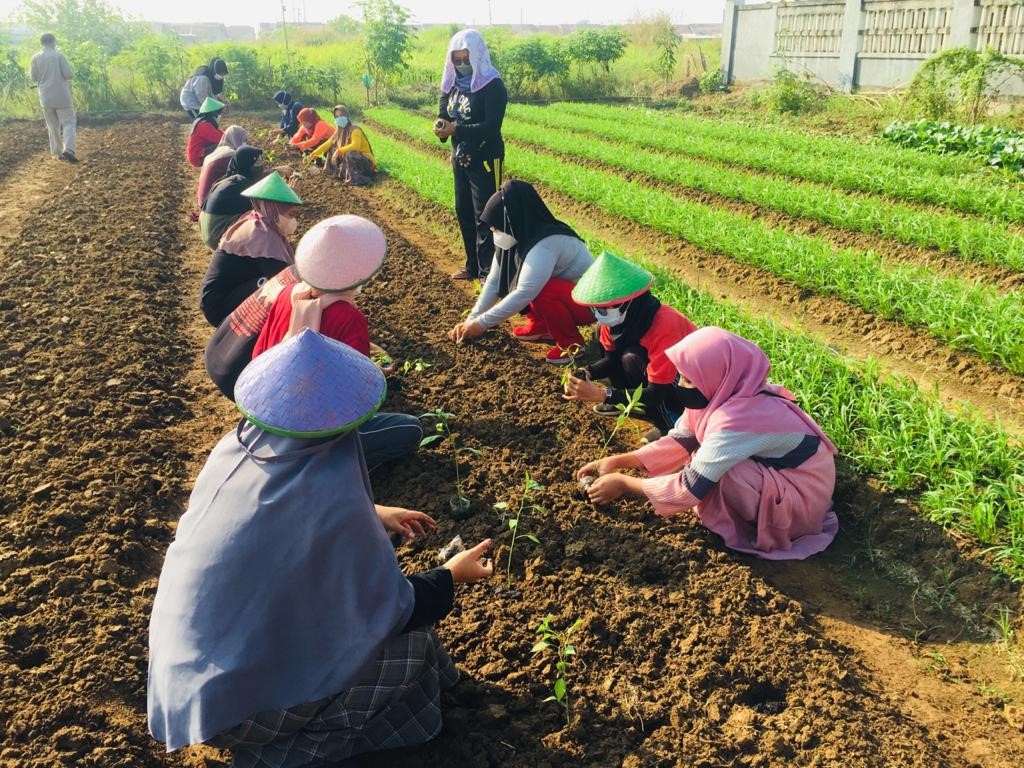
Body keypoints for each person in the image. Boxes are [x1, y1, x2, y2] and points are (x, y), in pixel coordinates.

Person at [148, 329, 495, 766]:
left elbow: (283, 519)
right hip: (239, 714)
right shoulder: (331, 497)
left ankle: (452, 689)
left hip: (183, 687)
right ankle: (281, 757)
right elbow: (389, 609)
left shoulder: (234, 451)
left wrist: (373, 510)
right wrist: (450, 575)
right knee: (411, 643)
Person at [577, 327, 839, 560]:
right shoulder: (723, 394)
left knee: (726, 473)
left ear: (718, 374)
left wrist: (625, 483)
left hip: (802, 499)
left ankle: (758, 527)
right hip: (782, 474)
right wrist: (618, 461)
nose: (681, 385)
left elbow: (690, 488)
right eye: (680, 376)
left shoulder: (738, 419)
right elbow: (680, 440)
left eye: (689, 380)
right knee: (705, 457)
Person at [252, 214, 423, 469]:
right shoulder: (348, 317)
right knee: (410, 428)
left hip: (266, 417)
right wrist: (376, 372)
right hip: (316, 431)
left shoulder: (288, 293)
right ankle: (338, 472)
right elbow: (357, 396)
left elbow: (259, 355)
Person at [447, 180, 594, 364]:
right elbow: (494, 281)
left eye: (496, 227)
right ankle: (544, 326)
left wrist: (481, 324)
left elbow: (525, 292)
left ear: (511, 220)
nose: (494, 232)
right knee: (517, 276)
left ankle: (571, 344)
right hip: (566, 297)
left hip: (588, 305)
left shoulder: (546, 243)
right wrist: (472, 319)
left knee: (542, 289)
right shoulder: (516, 235)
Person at [562, 252, 699, 437]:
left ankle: (669, 423)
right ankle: (622, 402)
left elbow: (657, 392)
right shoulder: (613, 322)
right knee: (620, 352)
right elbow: (611, 361)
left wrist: (603, 394)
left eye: (604, 307)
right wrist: (587, 372)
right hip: (658, 376)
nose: (599, 313)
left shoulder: (665, 326)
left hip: (690, 383)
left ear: (628, 302)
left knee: (632, 359)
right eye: (595, 308)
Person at [434, 29, 507, 281]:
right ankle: (472, 266)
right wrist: (441, 129)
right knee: (463, 211)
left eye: (466, 59)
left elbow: (491, 126)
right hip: (461, 158)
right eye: (457, 60)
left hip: (486, 157)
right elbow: (444, 115)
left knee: (485, 216)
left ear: (477, 56)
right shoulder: (451, 85)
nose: (462, 64)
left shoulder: (492, 86)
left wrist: (456, 129)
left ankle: (489, 273)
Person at [200, 172, 302, 326]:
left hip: (229, 292)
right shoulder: (262, 235)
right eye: (290, 214)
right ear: (274, 210)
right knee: (277, 287)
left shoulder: (258, 221)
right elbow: (285, 277)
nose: (293, 221)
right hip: (219, 306)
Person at [198, 144, 264, 250]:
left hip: (206, 231)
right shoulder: (243, 184)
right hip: (216, 236)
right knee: (259, 216)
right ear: (246, 163)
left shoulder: (230, 179)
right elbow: (265, 204)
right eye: (257, 163)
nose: (260, 166)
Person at [29, 33, 77, 163]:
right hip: (62, 95)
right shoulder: (58, 56)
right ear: (53, 42)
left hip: (45, 97)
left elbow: (33, 77)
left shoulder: (35, 58)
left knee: (52, 125)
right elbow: (69, 74)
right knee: (68, 122)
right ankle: (69, 149)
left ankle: (58, 152)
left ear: (42, 43)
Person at [309, 105, 377, 185]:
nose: (339, 118)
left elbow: (356, 146)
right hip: (355, 161)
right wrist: (315, 153)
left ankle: (358, 179)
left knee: (349, 153)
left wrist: (339, 150)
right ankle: (330, 171)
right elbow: (328, 144)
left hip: (366, 162)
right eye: (337, 117)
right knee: (332, 148)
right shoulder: (338, 132)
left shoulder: (355, 130)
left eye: (341, 115)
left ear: (346, 116)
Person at [195, 125, 249, 207]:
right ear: (236, 138)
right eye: (244, 140)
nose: (246, 143)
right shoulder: (230, 154)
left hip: (204, 200)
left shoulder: (217, 152)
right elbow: (239, 179)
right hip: (210, 204)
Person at [186, 97, 226, 168]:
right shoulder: (203, 125)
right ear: (212, 113)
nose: (219, 116)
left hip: (199, 152)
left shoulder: (203, 123)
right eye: (218, 113)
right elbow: (221, 138)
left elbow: (220, 134)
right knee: (225, 147)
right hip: (197, 155)